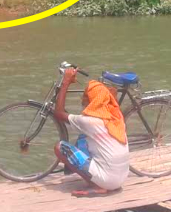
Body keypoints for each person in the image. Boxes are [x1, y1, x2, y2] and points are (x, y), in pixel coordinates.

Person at [52, 68, 130, 197]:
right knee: (85, 137)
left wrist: (66, 82)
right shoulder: (116, 117)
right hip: (121, 179)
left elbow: (59, 113)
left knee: (60, 147)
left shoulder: (89, 121)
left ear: (92, 100)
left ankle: (97, 186)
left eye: (85, 96)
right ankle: (100, 179)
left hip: (108, 181)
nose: (82, 99)